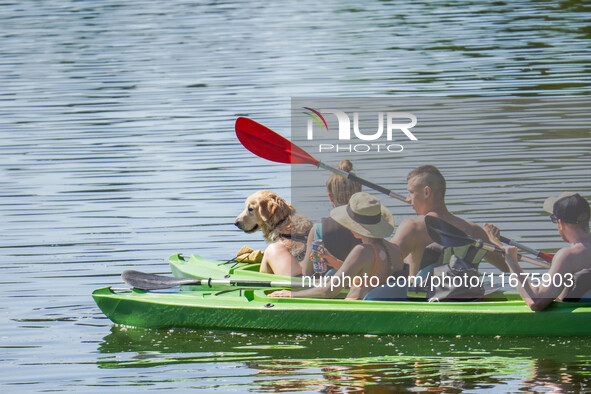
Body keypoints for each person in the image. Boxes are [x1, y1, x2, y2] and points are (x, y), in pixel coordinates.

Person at [271, 192, 404, 300]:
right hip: (377, 309)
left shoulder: (362, 251)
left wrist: (291, 294)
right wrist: (335, 262)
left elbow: (328, 292)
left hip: (353, 312)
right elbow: (373, 277)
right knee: (332, 273)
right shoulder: (394, 249)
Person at [390, 165, 508, 276]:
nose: (407, 199)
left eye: (411, 192)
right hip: (465, 296)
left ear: (427, 192)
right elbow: (508, 266)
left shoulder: (413, 227)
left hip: (422, 297)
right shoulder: (474, 231)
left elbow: (386, 261)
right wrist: (493, 240)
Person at [484, 192, 591, 311]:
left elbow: (536, 302)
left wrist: (511, 262)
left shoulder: (567, 256)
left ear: (560, 223)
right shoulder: (570, 257)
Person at [300, 159, 362, 276]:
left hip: (329, 288)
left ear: (330, 197)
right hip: (361, 285)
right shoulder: (371, 227)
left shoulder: (318, 229)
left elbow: (306, 273)